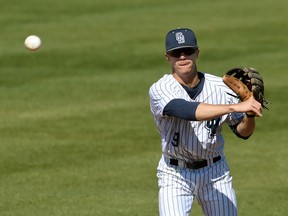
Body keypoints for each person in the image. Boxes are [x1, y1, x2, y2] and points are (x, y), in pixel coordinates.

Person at [149, 28, 262, 216]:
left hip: (215, 172)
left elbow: (243, 132)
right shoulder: (160, 89)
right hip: (175, 174)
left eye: (188, 51)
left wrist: (248, 114)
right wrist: (234, 107)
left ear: (197, 52)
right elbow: (186, 110)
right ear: (168, 57)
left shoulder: (220, 87)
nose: (183, 56)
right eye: (177, 53)